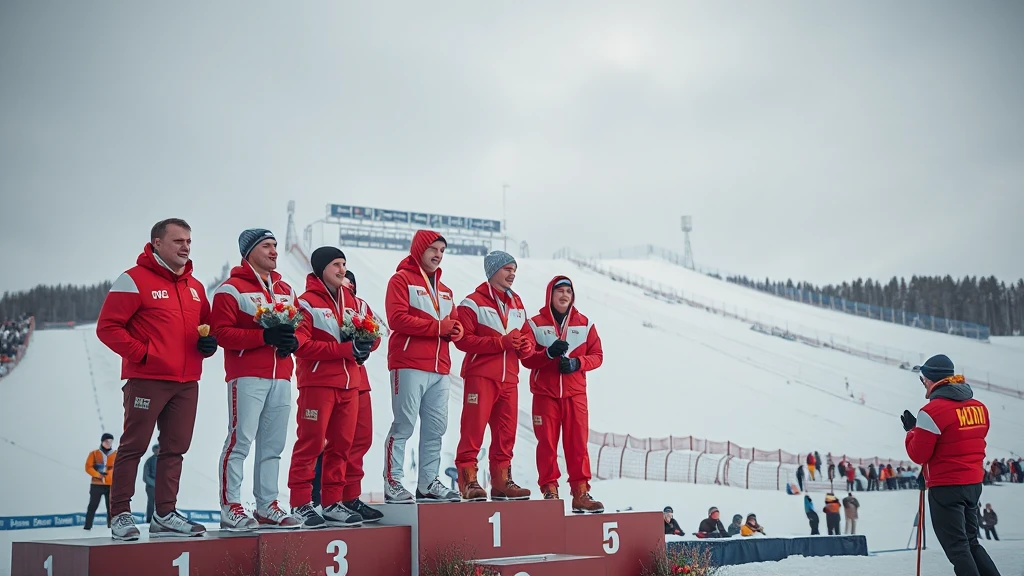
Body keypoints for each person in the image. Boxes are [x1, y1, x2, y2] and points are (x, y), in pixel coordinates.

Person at [96, 218, 217, 541]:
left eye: (188, 241)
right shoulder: (133, 280)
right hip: (147, 379)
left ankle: (164, 513)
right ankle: (121, 514)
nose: (186, 247)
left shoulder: (195, 287)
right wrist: (144, 354)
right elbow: (107, 328)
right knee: (134, 446)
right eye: (178, 241)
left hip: (187, 381)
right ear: (157, 243)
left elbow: (206, 326)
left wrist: (208, 344)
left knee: (175, 449)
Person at [210, 228, 300, 531]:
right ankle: (231, 506)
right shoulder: (230, 289)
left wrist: (292, 341)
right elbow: (221, 332)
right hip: (247, 375)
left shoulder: (286, 288)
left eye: (275, 245)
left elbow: (300, 327)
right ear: (249, 252)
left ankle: (267, 505)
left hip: (282, 376)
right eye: (267, 246)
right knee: (240, 442)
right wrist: (263, 336)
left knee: (273, 446)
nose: (274, 251)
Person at [289, 247, 381, 527]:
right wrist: (343, 349)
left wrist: (366, 346)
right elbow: (300, 345)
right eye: (336, 265)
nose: (342, 270)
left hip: (349, 384)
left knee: (342, 445)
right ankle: (300, 503)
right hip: (318, 383)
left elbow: (374, 333)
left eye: (344, 264)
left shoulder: (355, 302)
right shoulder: (305, 303)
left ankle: (332, 502)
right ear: (321, 269)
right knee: (311, 443)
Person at [382, 230, 462, 504]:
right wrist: (439, 327)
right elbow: (397, 319)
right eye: (433, 249)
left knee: (435, 428)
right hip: (409, 363)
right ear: (419, 249)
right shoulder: (400, 280)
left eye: (442, 250)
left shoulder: (445, 290)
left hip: (440, 368)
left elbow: (455, 322)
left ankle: (428, 482)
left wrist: (456, 330)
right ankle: (393, 481)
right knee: (403, 425)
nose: (438, 254)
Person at [904, 354, 1001, 576]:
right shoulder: (979, 407)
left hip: (946, 487)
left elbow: (919, 454)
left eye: (922, 379)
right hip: (973, 483)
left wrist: (912, 431)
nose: (923, 383)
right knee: (971, 542)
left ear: (931, 379)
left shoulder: (932, 411)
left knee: (957, 548)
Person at [521, 276, 604, 513]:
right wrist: (547, 354)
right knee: (546, 444)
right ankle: (550, 490)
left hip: (575, 394)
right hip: (545, 395)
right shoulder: (535, 324)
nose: (564, 295)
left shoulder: (585, 324)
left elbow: (598, 355)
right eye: (560, 291)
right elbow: (526, 358)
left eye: (568, 291)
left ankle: (581, 493)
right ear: (550, 294)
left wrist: (578, 363)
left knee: (578, 444)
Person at [453, 251, 532, 501]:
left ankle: (501, 482)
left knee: (506, 434)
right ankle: (468, 481)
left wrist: (526, 347)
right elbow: (463, 340)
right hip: (481, 376)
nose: (512, 274)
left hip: (509, 378)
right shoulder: (472, 302)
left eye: (514, 270)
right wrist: (501, 342)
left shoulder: (517, 303)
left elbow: (527, 336)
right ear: (493, 271)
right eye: (507, 269)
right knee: (473, 430)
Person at [84, 433, 116, 531]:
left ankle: (111, 526)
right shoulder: (94, 453)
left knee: (110, 507)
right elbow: (88, 467)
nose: (108, 443)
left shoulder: (116, 453)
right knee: (93, 505)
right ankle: (88, 526)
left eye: (110, 441)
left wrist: (109, 473)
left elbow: (118, 467)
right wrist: (98, 474)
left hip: (110, 484)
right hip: (96, 484)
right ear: (102, 442)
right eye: (107, 441)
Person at [143, 444, 158, 523]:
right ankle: (149, 519)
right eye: (156, 449)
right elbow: (145, 477)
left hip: (162, 487)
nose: (158, 451)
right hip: (151, 487)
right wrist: (155, 484)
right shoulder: (149, 461)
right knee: (151, 503)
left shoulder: (164, 461)